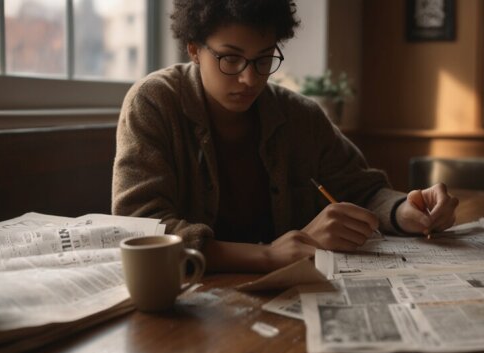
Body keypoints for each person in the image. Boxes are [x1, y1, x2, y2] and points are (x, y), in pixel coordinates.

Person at [112, 0, 458, 273]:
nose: (249, 78)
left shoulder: (299, 116)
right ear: (193, 49)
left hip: (288, 295)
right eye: (230, 58)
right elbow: (139, 225)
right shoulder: (154, 102)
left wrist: (403, 210)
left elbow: (361, 188)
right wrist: (267, 256)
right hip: (190, 305)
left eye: (263, 59)